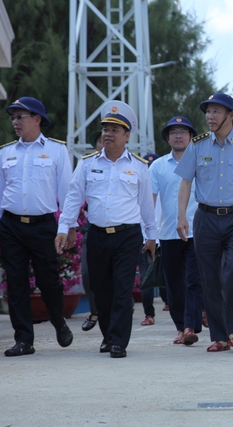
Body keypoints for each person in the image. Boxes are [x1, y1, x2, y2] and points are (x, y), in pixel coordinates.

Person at [55, 100, 156, 358]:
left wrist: (152, 236)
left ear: (126, 136)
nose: (108, 134)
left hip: (127, 235)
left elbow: (146, 206)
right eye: (106, 129)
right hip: (97, 234)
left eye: (115, 129)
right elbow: (73, 197)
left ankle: (118, 342)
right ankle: (109, 335)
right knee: (101, 290)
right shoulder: (87, 163)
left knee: (122, 289)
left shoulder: (139, 167)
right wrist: (64, 227)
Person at [175, 93, 233, 352]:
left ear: (230, 115)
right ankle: (219, 337)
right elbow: (185, 182)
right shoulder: (198, 144)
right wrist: (182, 215)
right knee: (210, 277)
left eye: (216, 112)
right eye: (208, 112)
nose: (210, 117)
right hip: (206, 218)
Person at [0, 96, 75, 357]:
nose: (15, 122)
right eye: (13, 117)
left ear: (37, 120)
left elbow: (67, 193)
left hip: (43, 226)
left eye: (20, 117)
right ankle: (24, 339)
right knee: (15, 284)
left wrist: (67, 226)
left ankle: (58, 322)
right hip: (11, 226)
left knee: (49, 280)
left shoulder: (57, 150)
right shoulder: (7, 152)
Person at [150, 116, 204, 345]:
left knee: (193, 280)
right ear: (168, 138)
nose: (178, 136)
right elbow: (150, 202)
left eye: (183, 132)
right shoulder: (158, 166)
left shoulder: (202, 163)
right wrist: (149, 235)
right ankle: (181, 326)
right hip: (168, 234)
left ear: (191, 137)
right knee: (173, 285)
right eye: (174, 132)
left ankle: (191, 325)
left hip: (196, 233)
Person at [81, 130, 103, 332]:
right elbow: (73, 194)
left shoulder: (133, 164)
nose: (105, 141)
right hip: (92, 228)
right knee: (88, 273)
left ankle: (106, 315)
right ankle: (95, 310)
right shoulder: (87, 164)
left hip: (122, 231)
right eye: (100, 140)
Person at [137, 152, 161, 326]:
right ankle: (149, 313)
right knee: (145, 275)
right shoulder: (137, 184)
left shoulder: (162, 184)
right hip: (139, 235)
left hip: (161, 237)